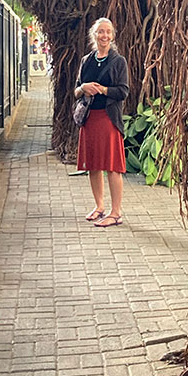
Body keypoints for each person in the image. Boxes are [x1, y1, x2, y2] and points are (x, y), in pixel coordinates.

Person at [74, 17, 129, 227]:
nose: (104, 36)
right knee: (94, 165)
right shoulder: (86, 60)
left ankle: (115, 213)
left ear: (112, 36)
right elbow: (76, 90)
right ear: (94, 35)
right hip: (90, 119)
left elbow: (123, 91)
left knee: (112, 166)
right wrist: (84, 88)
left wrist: (103, 89)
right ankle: (99, 206)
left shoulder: (118, 61)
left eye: (108, 32)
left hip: (108, 118)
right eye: (100, 32)